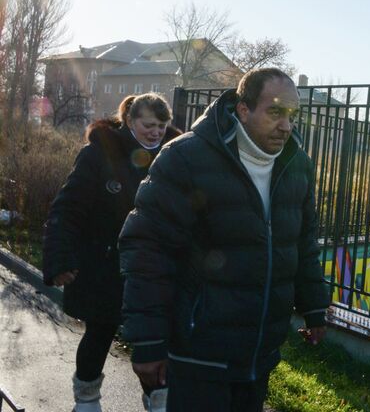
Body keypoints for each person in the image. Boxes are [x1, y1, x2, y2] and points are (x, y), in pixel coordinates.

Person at [119, 68, 330, 412]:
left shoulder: (297, 166)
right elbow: (147, 251)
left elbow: (302, 242)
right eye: (275, 112)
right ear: (243, 110)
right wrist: (148, 340)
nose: (287, 126)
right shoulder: (185, 158)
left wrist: (314, 306)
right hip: (199, 355)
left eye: (293, 115)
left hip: (259, 356)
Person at [43, 93, 180, 412]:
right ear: (130, 121)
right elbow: (68, 209)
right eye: (148, 125)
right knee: (100, 332)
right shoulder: (98, 155)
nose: (156, 132)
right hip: (105, 265)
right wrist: (60, 258)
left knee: (154, 338)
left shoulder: (174, 157)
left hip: (153, 270)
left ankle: (159, 401)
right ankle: (87, 400)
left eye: (162, 126)